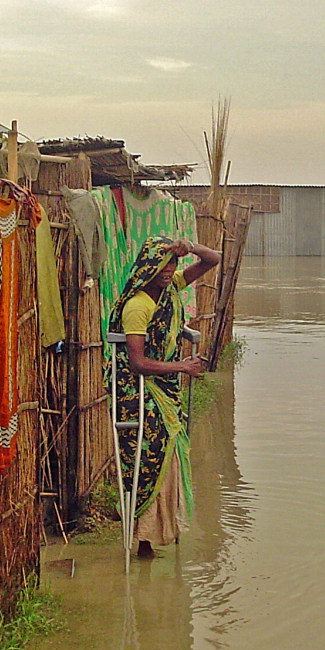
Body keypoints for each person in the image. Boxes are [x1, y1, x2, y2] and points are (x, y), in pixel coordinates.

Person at [110, 235, 221, 558]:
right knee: (149, 459)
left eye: (172, 262)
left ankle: (158, 531)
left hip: (164, 391)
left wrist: (189, 247)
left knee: (168, 460)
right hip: (139, 393)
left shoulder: (171, 287)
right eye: (161, 262)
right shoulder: (138, 306)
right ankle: (143, 538)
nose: (167, 269)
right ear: (147, 265)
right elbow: (138, 362)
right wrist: (183, 366)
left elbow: (212, 260)